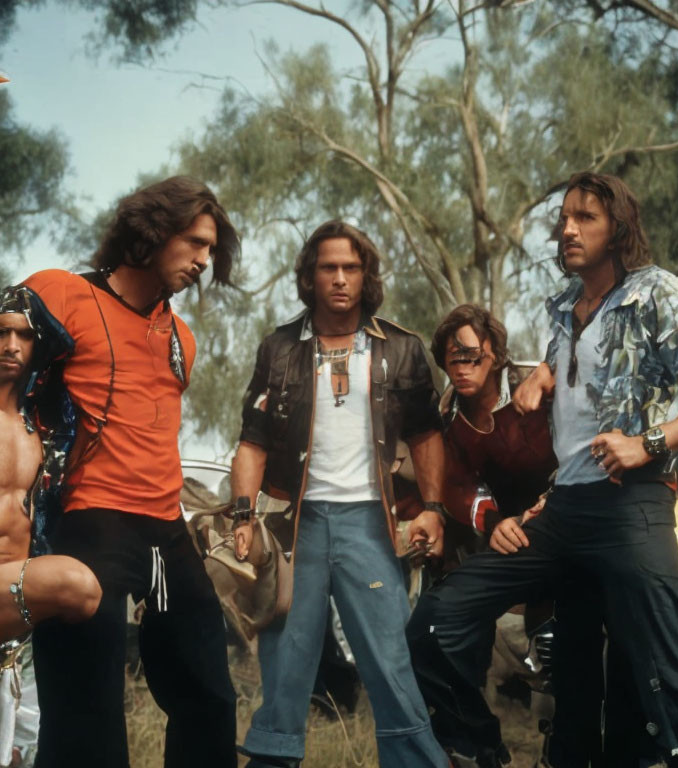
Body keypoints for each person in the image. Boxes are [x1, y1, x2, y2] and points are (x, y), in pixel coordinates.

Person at [408, 172, 678, 768]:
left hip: (632, 507)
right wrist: (541, 382)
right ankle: (481, 748)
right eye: (563, 218)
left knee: (664, 678)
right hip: (566, 511)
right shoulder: (565, 308)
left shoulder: (659, 293)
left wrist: (649, 442)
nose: (567, 228)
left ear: (618, 227)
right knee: (440, 619)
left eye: (585, 217)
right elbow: (576, 396)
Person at [23, 176, 241, 768]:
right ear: (150, 231)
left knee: (210, 696)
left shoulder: (182, 340)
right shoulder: (60, 294)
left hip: (166, 527)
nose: (203, 261)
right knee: (87, 712)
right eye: (194, 242)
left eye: (210, 251)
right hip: (87, 520)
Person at [231, 220, 450, 768]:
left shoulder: (400, 348)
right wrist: (241, 513)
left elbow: (427, 436)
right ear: (310, 275)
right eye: (327, 267)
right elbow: (251, 444)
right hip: (295, 524)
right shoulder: (279, 348)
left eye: (350, 267)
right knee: (285, 661)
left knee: (391, 661)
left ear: (366, 275)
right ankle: (271, 760)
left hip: (369, 524)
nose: (339, 279)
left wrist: (434, 509)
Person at [409, 304, 606, 768]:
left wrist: (549, 369)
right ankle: (478, 744)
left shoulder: (535, 385)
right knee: (428, 629)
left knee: (587, 654)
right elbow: (457, 482)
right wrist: (495, 521)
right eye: (451, 358)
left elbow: (590, 420)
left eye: (471, 356)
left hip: (579, 522)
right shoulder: (448, 417)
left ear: (495, 354)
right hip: (515, 541)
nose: (461, 366)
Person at [0, 285, 102, 767]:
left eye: (23, 335)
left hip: (18, 605)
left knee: (20, 752)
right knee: (75, 585)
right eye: (1, 332)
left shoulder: (42, 426)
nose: (11, 346)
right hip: (23, 587)